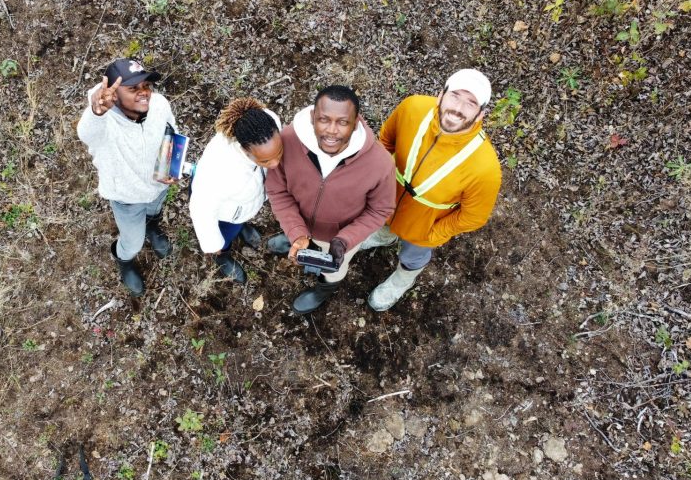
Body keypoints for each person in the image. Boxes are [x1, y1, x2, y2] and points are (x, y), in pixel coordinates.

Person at [362, 69, 503, 311]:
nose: (458, 108)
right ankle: (385, 234)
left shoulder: (486, 167)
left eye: (471, 103)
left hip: (425, 223)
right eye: (455, 96)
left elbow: (473, 217)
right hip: (388, 198)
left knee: (412, 256)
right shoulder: (412, 108)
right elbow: (385, 140)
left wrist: (434, 234)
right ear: (440, 95)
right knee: (384, 221)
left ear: (480, 114)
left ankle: (402, 281)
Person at [264, 85, 395, 314]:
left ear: (355, 124)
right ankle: (296, 241)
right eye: (324, 119)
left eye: (343, 122)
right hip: (299, 221)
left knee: (334, 267)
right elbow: (278, 191)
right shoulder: (288, 140)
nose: (332, 131)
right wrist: (297, 232)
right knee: (296, 235)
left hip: (340, 237)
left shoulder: (380, 164)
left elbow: (380, 210)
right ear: (313, 117)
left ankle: (323, 289)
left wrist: (344, 240)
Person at [77, 58, 175, 297]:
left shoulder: (159, 104)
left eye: (146, 86)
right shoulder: (104, 123)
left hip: (157, 186)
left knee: (155, 211)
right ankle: (125, 260)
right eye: (133, 89)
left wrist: (169, 166)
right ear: (114, 95)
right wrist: (96, 112)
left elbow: (170, 131)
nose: (143, 93)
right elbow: (86, 133)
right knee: (132, 242)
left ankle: (153, 227)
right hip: (127, 198)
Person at [188, 98, 283, 283]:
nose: (275, 164)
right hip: (226, 214)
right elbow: (201, 210)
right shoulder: (219, 173)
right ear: (245, 150)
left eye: (278, 153)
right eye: (265, 161)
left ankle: (242, 224)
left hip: (243, 201)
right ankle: (223, 255)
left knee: (241, 218)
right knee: (226, 234)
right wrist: (213, 244)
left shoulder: (268, 123)